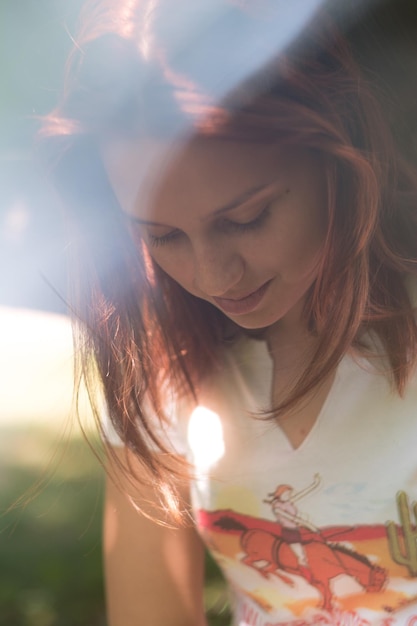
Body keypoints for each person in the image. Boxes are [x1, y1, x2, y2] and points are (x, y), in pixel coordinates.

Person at [41, 0, 417, 624]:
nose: (213, 278)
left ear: (336, 155)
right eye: (162, 236)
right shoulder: (162, 367)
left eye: (246, 219)